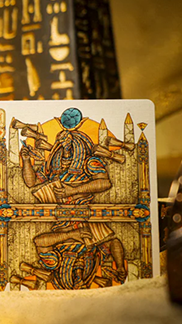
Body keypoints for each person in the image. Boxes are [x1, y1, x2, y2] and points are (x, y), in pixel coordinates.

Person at [13, 108, 127, 290]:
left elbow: (104, 182)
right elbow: (32, 182)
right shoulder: (54, 165)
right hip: (79, 221)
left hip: (74, 219)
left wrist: (72, 190)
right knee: (108, 238)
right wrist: (26, 160)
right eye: (62, 144)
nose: (65, 148)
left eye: (69, 144)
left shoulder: (88, 162)